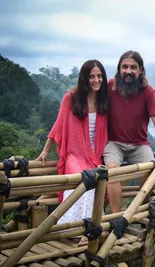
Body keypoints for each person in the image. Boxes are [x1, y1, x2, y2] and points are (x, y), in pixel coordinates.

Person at [35, 59, 109, 245]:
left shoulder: (103, 100)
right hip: (75, 153)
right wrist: (46, 150)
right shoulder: (71, 97)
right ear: (84, 78)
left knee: (97, 180)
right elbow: (59, 123)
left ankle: (89, 230)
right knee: (84, 180)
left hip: (95, 153)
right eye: (92, 76)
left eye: (99, 76)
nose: (96, 80)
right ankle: (72, 228)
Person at [103, 50, 155, 213]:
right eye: (124, 67)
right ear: (119, 69)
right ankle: (116, 218)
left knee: (152, 171)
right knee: (113, 171)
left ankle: (138, 211)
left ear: (140, 70)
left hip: (139, 144)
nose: (128, 71)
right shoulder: (110, 87)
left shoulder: (148, 92)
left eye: (133, 67)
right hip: (114, 143)